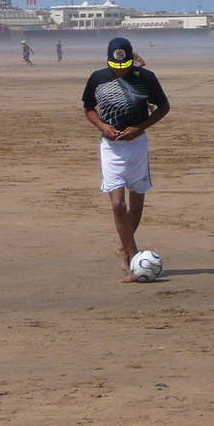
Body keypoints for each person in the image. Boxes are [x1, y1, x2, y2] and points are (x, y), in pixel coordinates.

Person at [83, 37, 170, 281]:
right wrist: (101, 126)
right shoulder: (97, 78)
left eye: (124, 66)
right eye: (116, 66)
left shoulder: (146, 78)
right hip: (111, 149)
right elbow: (88, 108)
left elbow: (163, 107)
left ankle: (122, 247)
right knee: (117, 204)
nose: (120, 70)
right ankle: (134, 259)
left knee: (137, 202)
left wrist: (141, 128)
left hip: (137, 147)